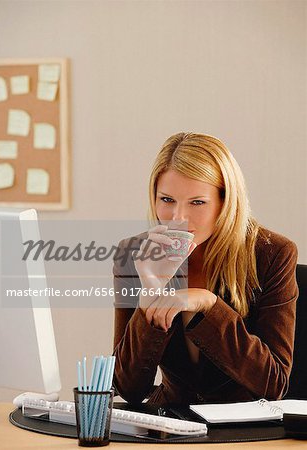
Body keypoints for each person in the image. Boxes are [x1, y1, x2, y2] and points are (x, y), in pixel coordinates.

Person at [112, 132, 298, 406]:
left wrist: (209, 305)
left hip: (246, 430)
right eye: (167, 200)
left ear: (225, 202)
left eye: (197, 202)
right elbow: (127, 389)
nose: (179, 218)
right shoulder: (133, 255)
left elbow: (273, 383)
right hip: (169, 427)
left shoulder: (272, 254)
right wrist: (150, 298)